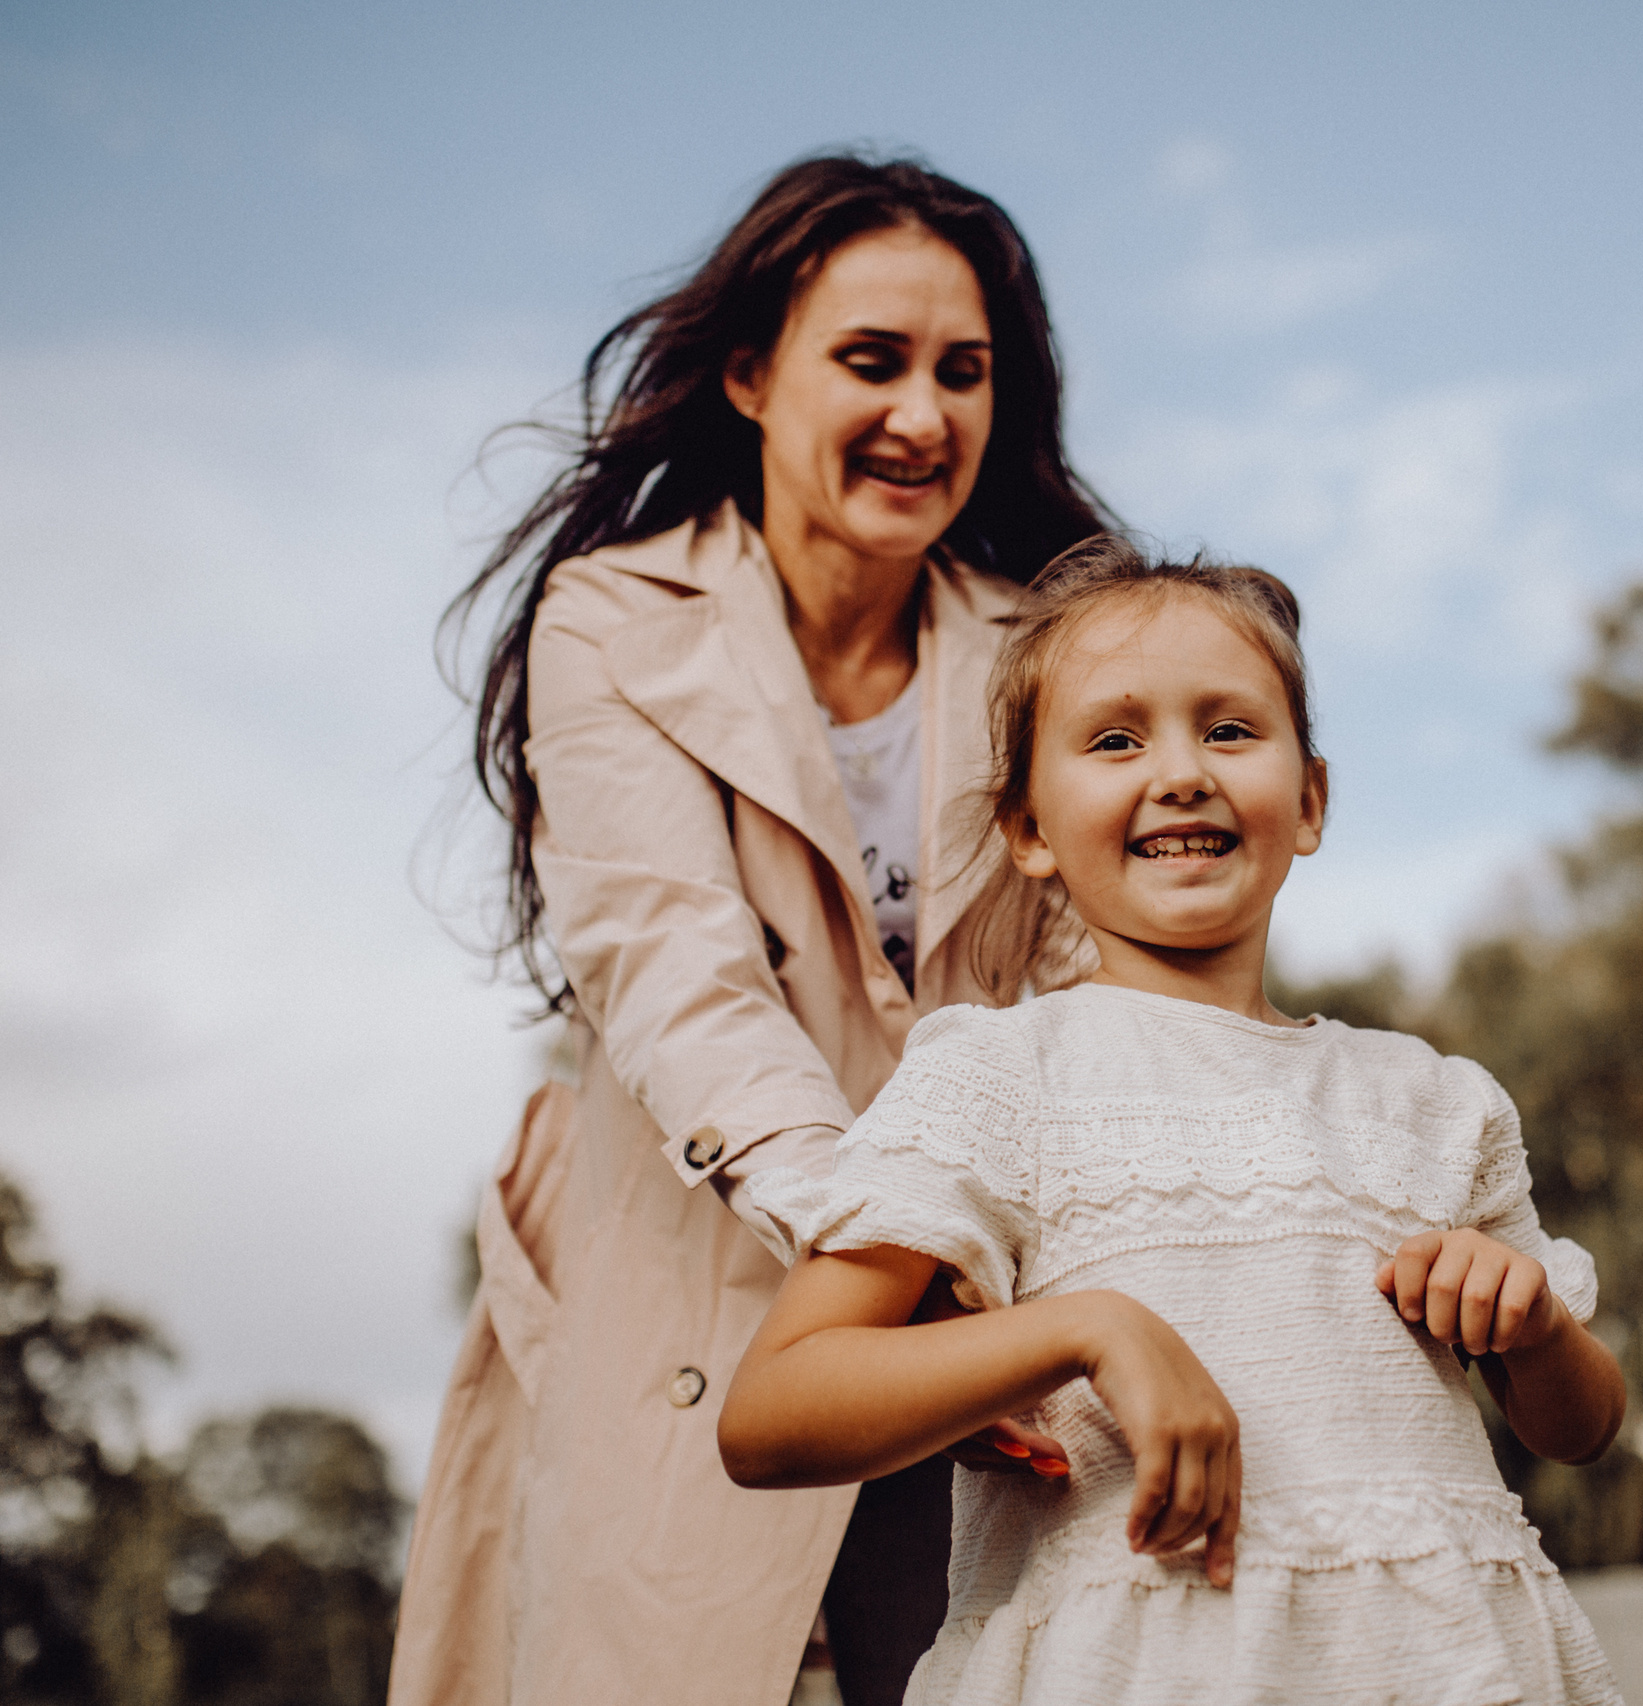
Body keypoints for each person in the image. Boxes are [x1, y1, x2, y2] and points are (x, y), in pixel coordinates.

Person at [392, 152, 1107, 1706]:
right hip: (704, 1294)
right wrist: (906, 1262)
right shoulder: (614, 623)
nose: (923, 415)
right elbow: (677, 980)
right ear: (749, 376)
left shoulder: (1049, 649)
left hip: (997, 1320)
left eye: (964, 372)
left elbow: (1097, 991)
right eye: (873, 359)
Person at [719, 539, 1631, 1706]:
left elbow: (1581, 1425)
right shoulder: (994, 1078)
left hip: (1448, 1669)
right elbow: (774, 1411)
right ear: (1028, 826)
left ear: (1309, 799)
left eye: (1230, 729)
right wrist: (1085, 1329)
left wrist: (1532, 1320)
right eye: (1114, 739)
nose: (1183, 772)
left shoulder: (1434, 1099)